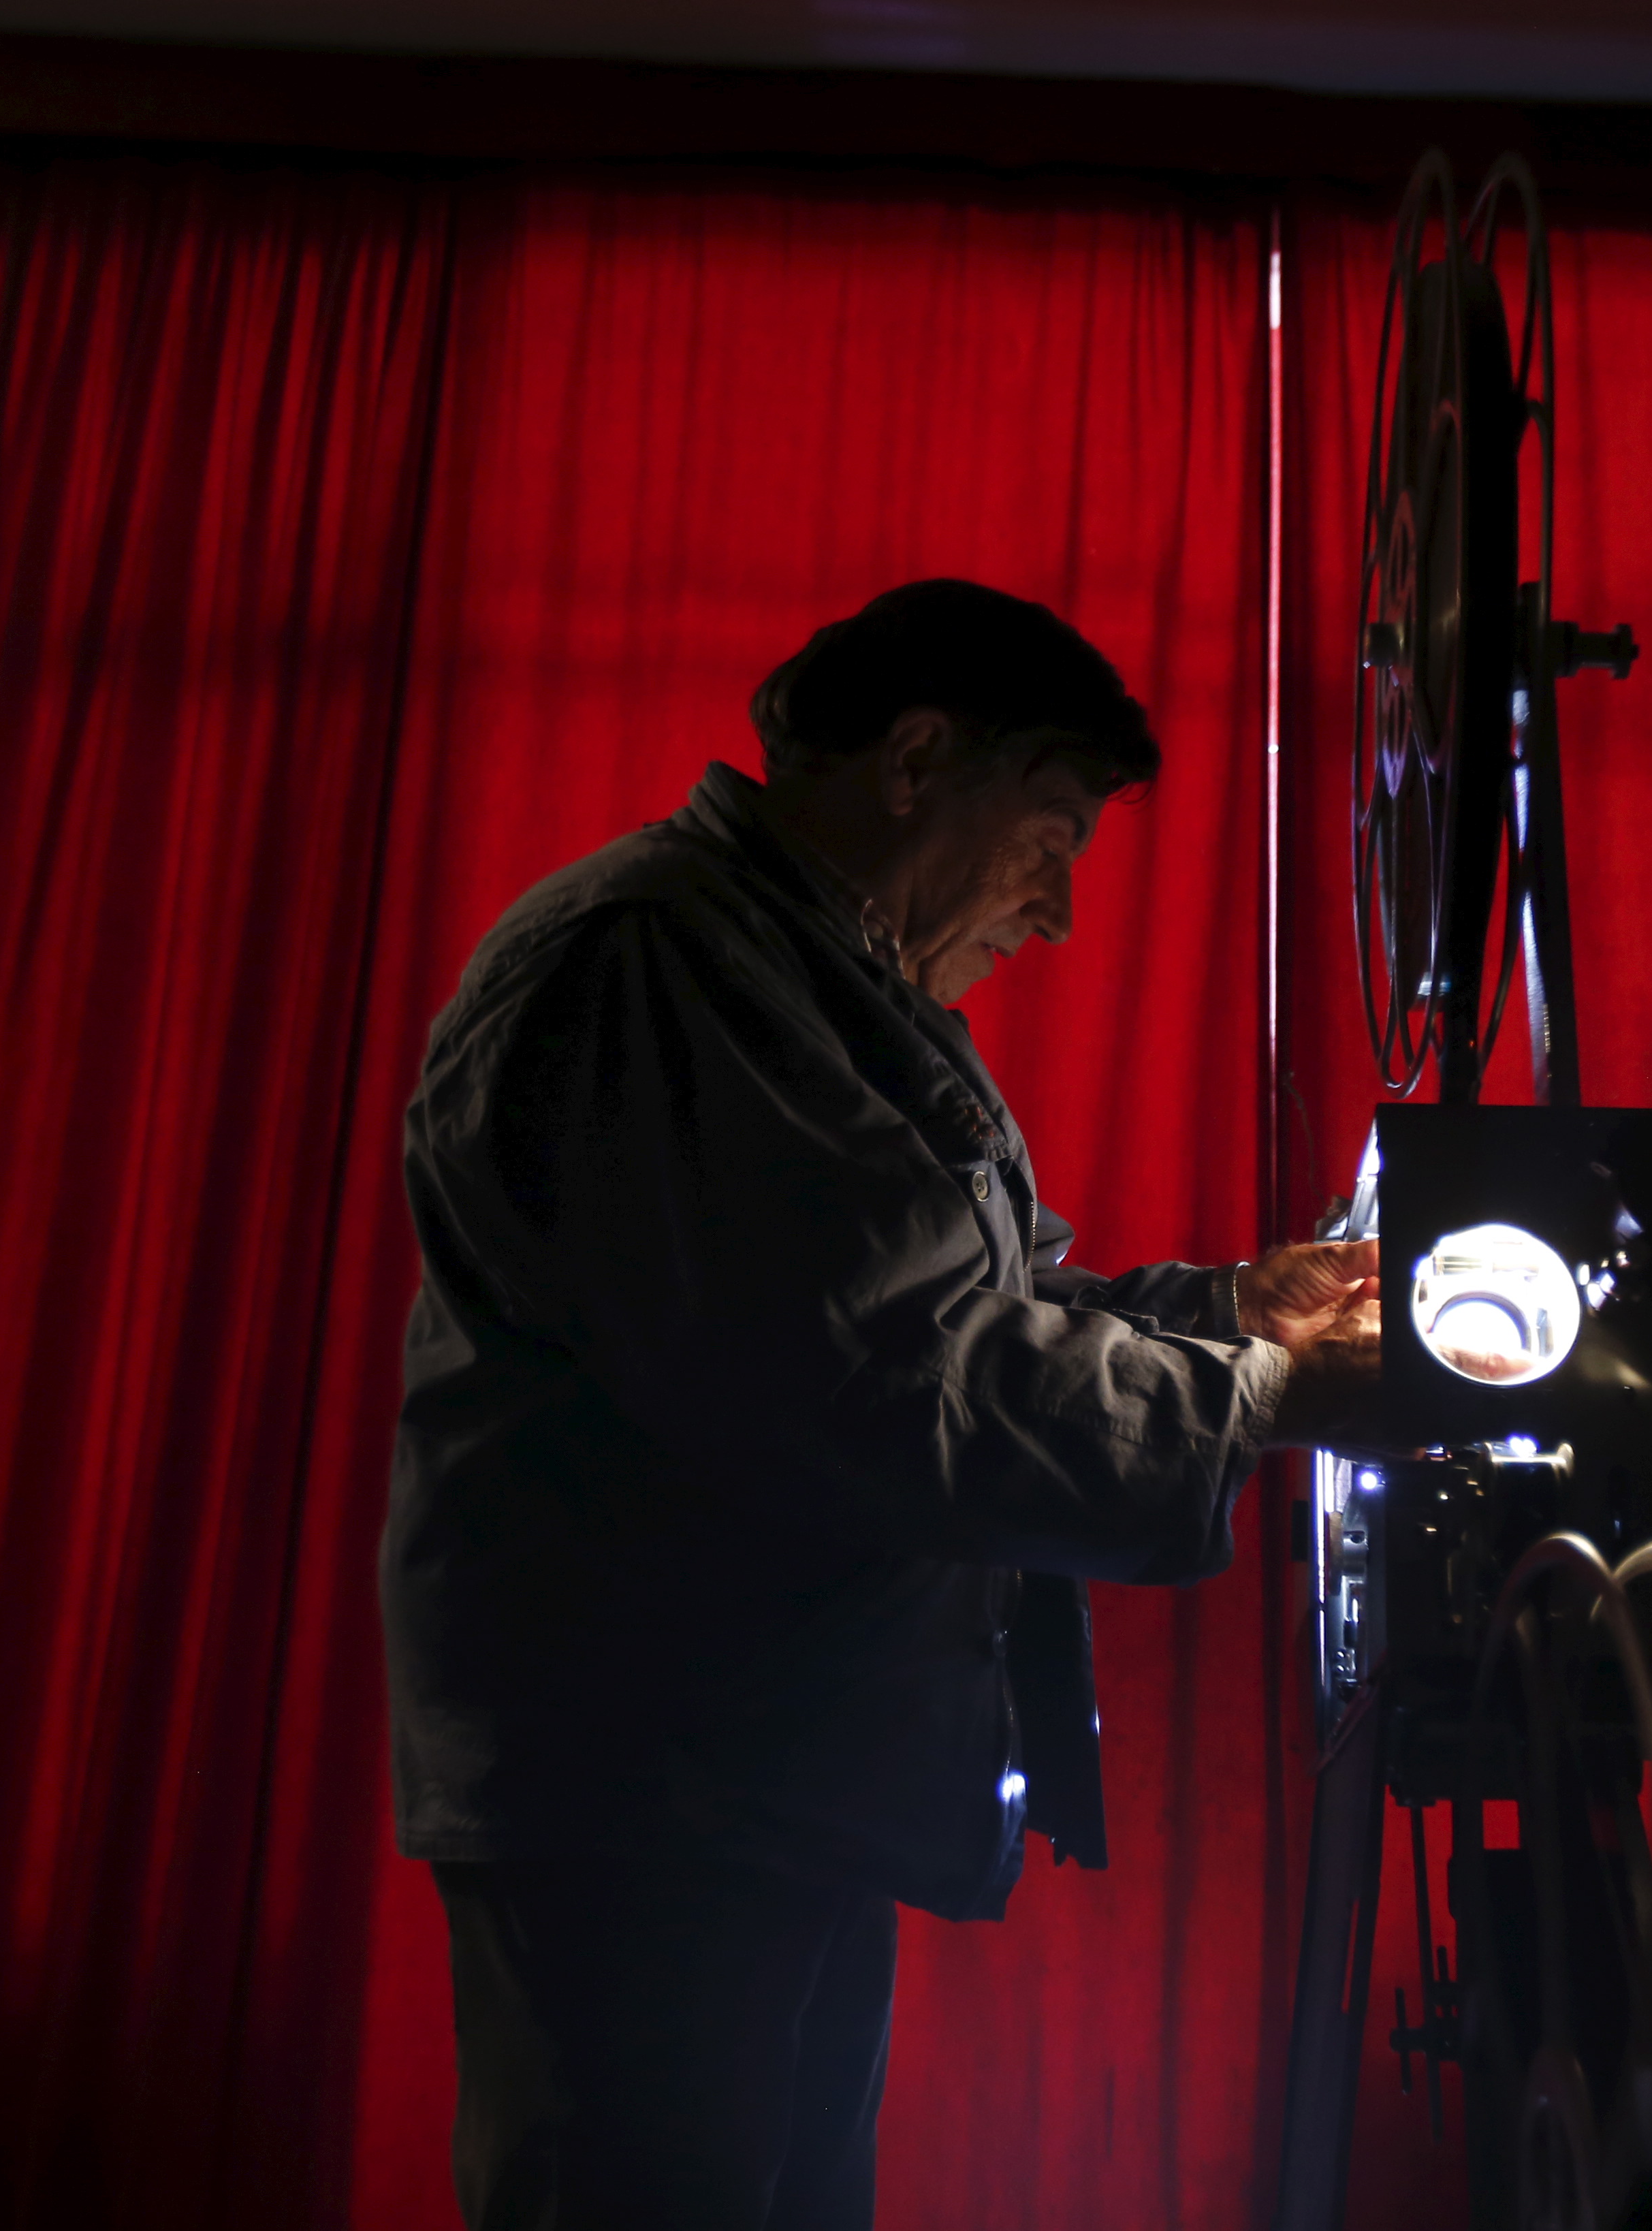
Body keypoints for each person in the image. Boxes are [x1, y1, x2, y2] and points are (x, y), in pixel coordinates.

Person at [381, 578, 1382, 2231]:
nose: (1056, 912)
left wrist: (1230, 1311)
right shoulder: (656, 967)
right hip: (662, 1801)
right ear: (919, 759)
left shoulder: (795, 984)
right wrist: (1263, 1392)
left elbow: (948, 1320)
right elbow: (872, 1385)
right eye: (1052, 831)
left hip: (761, 1778)